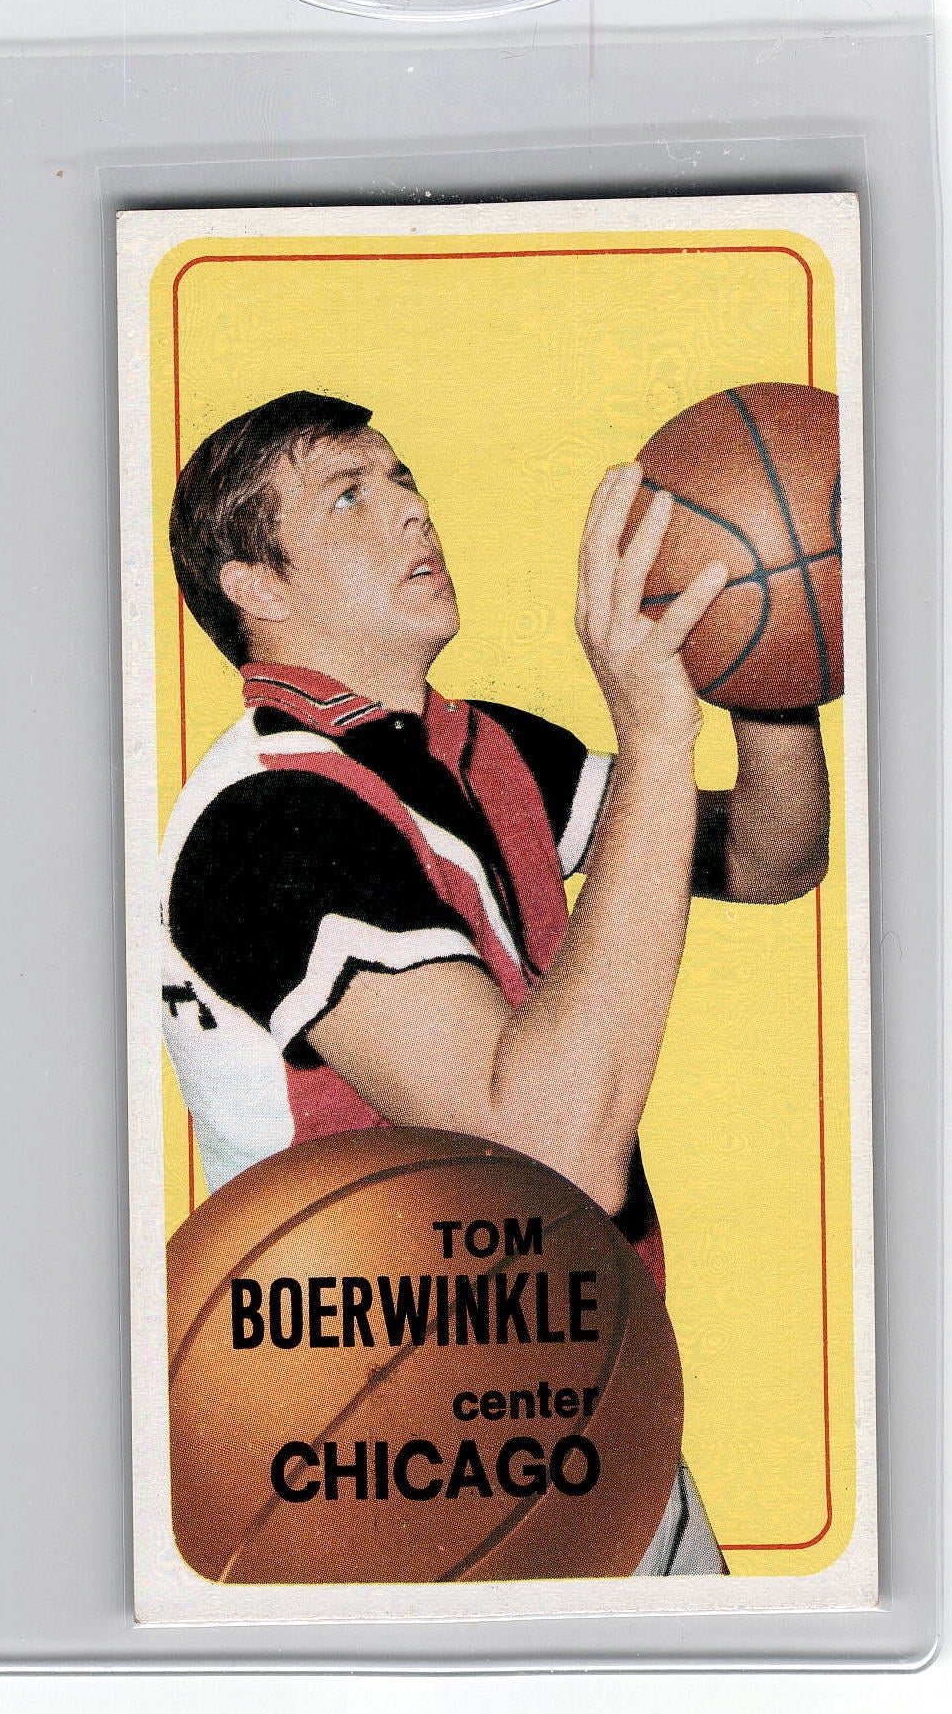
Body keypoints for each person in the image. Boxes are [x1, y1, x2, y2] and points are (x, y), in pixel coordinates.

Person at [160, 389, 830, 1576]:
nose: (408, 508)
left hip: (572, 1393)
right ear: (252, 585)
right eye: (348, 495)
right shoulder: (266, 818)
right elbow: (548, 1152)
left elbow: (769, 856)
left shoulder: (480, 747)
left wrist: (770, 648)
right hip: (382, 1447)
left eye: (401, 476)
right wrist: (656, 737)